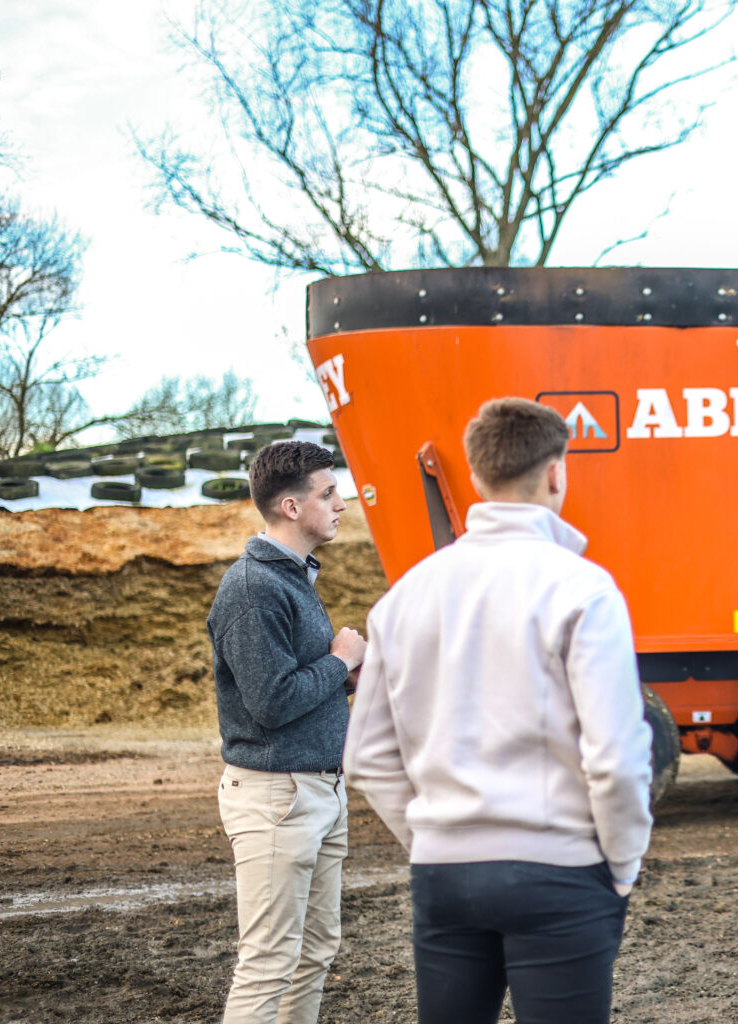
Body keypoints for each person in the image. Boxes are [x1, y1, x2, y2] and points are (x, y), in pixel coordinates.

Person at [345, 396, 653, 1024]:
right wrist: (621, 865)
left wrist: (436, 835)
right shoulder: (583, 589)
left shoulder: (404, 599)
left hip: (443, 875)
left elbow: (367, 757)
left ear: (477, 476)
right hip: (561, 871)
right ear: (556, 472)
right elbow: (617, 756)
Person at [208, 439, 367, 1024]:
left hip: (319, 791)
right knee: (270, 960)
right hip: (278, 798)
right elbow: (272, 703)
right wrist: (341, 661)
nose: (341, 504)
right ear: (292, 508)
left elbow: (294, 686)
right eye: (328, 494)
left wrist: (342, 679)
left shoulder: (294, 579)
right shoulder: (254, 589)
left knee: (315, 951)